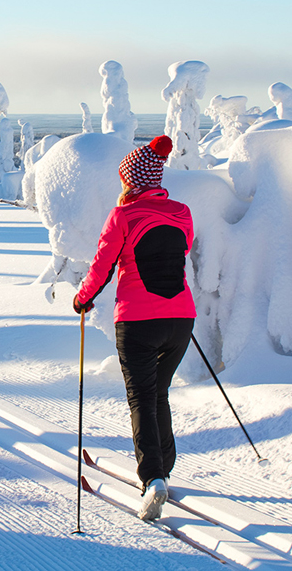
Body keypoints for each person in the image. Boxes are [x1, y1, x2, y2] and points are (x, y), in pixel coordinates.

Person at [72, 135, 195, 522]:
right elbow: (181, 252)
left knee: (141, 396)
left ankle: (153, 477)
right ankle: (165, 468)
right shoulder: (182, 212)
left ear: (131, 181)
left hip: (138, 321)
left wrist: (83, 298)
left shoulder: (122, 216)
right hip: (181, 319)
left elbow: (103, 266)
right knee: (159, 391)